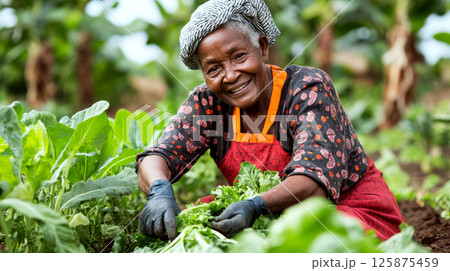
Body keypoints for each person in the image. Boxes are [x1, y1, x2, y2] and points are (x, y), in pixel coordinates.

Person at [136, 0, 404, 242]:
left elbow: (313, 182)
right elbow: (159, 154)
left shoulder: (307, 89)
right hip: (267, 217)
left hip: (345, 211)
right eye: (214, 69)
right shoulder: (209, 103)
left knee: (309, 241)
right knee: (195, 229)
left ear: (262, 48)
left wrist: (255, 206)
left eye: (239, 56)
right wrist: (159, 189)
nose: (229, 75)